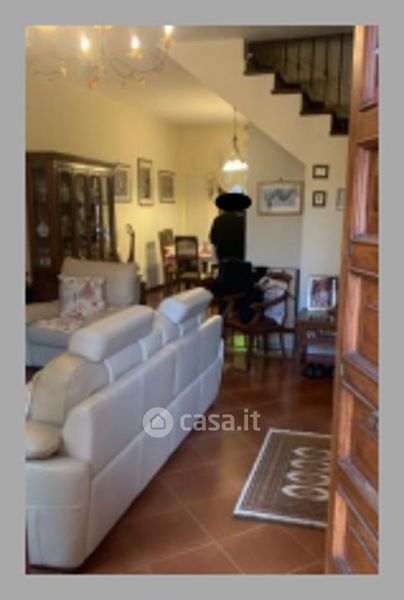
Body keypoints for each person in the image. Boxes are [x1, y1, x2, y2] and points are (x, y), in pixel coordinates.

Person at [209, 192, 251, 261]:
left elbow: (213, 240)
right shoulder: (245, 220)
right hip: (242, 257)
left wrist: (215, 260)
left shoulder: (219, 220)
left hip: (224, 258)